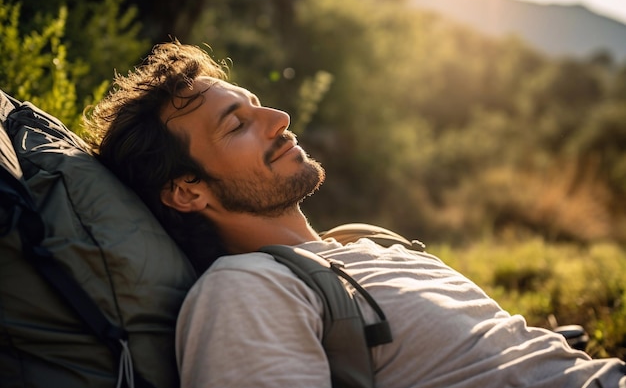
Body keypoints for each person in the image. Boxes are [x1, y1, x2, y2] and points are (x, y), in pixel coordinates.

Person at [86, 40, 626, 388]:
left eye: (257, 104)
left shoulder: (368, 245)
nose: (279, 117)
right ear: (187, 191)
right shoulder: (246, 288)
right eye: (237, 125)